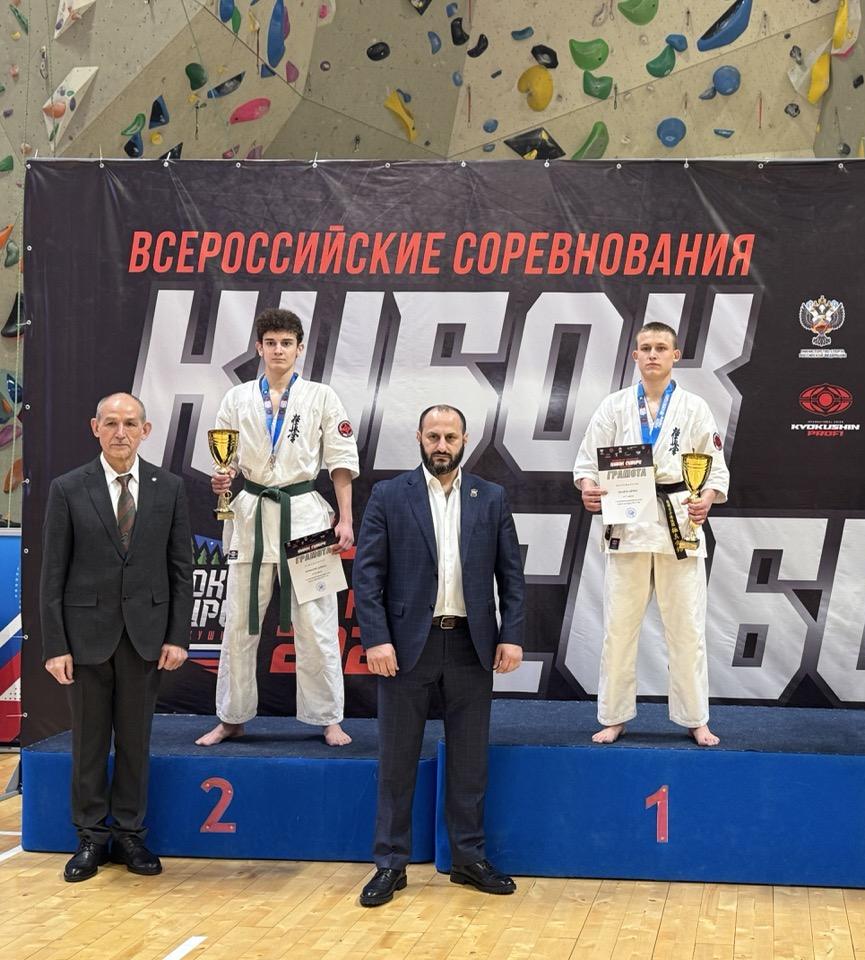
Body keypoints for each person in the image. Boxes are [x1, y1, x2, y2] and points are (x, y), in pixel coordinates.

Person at [353, 405, 525, 905]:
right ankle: (390, 863)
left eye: (450, 436)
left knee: (470, 762)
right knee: (397, 760)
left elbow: (511, 576)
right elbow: (367, 575)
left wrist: (511, 634)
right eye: (433, 436)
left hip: (471, 645)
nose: (442, 445)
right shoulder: (389, 495)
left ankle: (468, 858)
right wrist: (376, 638)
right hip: (407, 646)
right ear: (419, 438)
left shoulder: (490, 497)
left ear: (465, 439)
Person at [41, 393, 193, 881]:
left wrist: (177, 635)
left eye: (129, 423)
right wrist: (55, 645)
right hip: (85, 639)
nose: (120, 432)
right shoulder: (68, 488)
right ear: (95, 428)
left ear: (146, 430)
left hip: (146, 638)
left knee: (134, 741)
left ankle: (129, 834)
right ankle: (90, 837)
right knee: (88, 743)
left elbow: (181, 569)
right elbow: (52, 573)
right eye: (110, 423)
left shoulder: (169, 488)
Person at [197, 308, 359, 747]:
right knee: (238, 623)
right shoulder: (237, 399)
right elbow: (225, 462)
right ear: (259, 348)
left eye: (286, 343)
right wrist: (222, 481)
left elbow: (341, 462)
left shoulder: (322, 396)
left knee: (317, 622)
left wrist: (345, 518)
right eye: (271, 343)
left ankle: (328, 718)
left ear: (299, 348)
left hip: (304, 513)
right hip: (250, 513)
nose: (278, 350)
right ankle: (231, 716)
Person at [573, 321, 729, 746]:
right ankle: (614, 715)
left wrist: (707, 499)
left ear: (675, 356)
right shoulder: (614, 406)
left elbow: (715, 468)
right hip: (628, 522)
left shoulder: (694, 407)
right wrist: (588, 488)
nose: (653, 354)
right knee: (619, 627)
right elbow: (587, 464)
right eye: (646, 348)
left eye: (661, 347)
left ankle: (696, 717)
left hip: (680, 522)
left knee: (687, 627)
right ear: (635, 355)